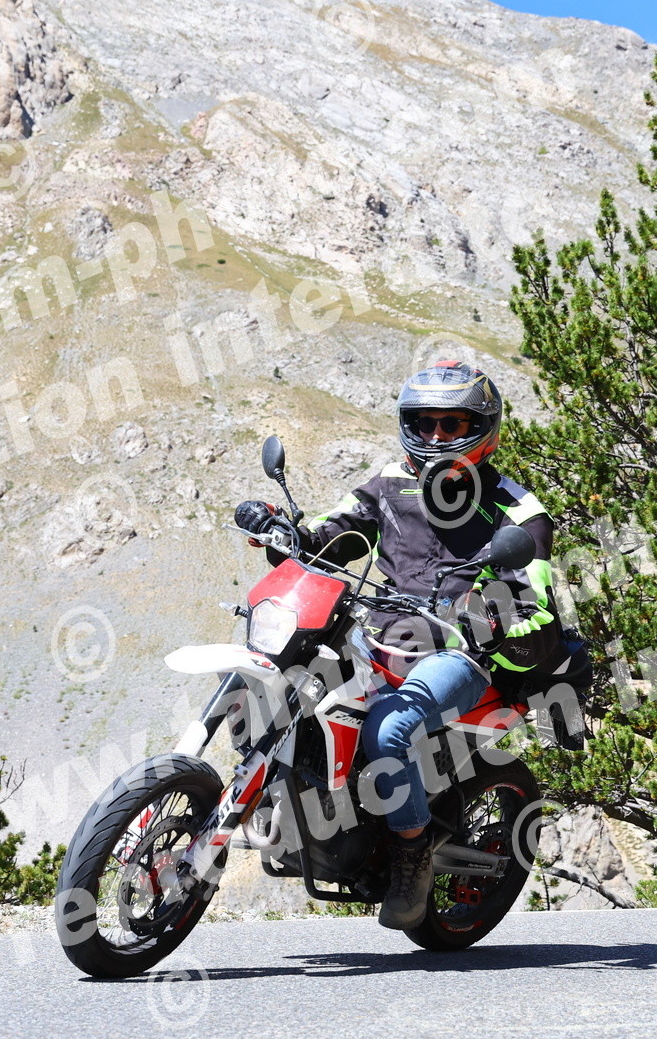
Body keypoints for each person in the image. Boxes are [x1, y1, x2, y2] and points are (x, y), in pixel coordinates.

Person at [234, 360, 564, 930]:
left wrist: (495, 620)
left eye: (451, 424)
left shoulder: (518, 512)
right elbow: (338, 530)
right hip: (375, 631)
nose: (436, 436)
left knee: (388, 730)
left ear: (482, 428)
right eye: (424, 422)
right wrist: (287, 532)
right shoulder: (391, 482)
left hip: (460, 653)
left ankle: (412, 855)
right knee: (271, 673)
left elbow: (533, 603)